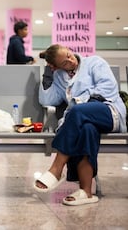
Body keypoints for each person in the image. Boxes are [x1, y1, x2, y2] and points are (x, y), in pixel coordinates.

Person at [34, 44, 127, 206]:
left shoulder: (94, 63)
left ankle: (57, 167)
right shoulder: (60, 77)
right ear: (56, 67)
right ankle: (86, 191)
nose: (71, 60)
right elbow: (48, 100)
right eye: (65, 62)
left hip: (109, 112)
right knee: (87, 130)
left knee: (77, 112)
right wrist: (48, 74)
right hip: (84, 121)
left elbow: (107, 88)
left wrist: (79, 102)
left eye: (69, 54)